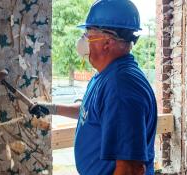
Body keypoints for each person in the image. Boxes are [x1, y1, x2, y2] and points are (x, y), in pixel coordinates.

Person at [29, 0, 157, 174]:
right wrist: (52, 109)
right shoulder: (106, 75)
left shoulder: (121, 87)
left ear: (107, 42)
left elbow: (130, 168)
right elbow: (91, 112)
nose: (83, 41)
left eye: (88, 35)